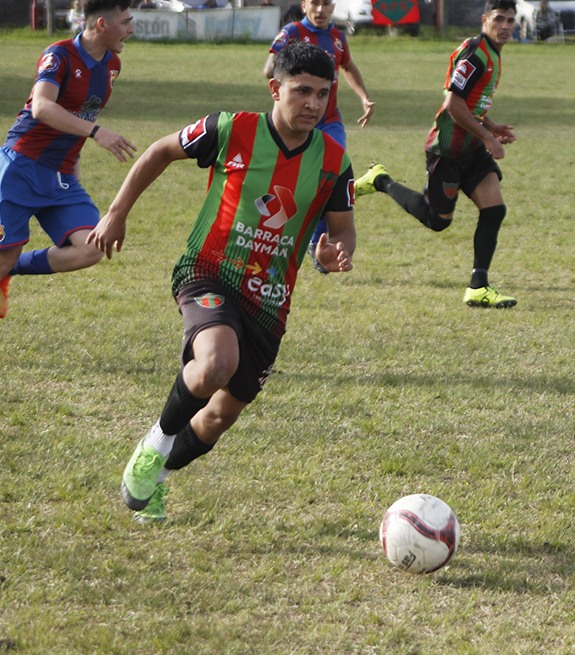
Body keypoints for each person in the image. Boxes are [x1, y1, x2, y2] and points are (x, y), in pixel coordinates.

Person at [86, 42, 356, 523]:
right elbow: (159, 151)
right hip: (207, 270)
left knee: (218, 416)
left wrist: (335, 251)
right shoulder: (231, 129)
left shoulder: (334, 160)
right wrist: (116, 212)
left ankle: (156, 477)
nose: (312, 104)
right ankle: (154, 444)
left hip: (269, 302)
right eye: (301, 91)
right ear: (276, 88)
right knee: (215, 363)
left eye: (322, 94)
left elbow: (341, 229)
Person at [0, 0, 137, 364]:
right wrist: (97, 133)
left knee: (93, 247)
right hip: (22, 167)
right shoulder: (59, 55)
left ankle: (11, 267)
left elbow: (77, 117)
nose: (132, 28)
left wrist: (75, 165)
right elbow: (42, 107)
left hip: (61, 175)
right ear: (102, 24)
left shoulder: (111, 66)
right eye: (126, 21)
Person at [353, 0, 518, 309]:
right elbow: (453, 105)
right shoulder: (476, 53)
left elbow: (470, 100)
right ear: (485, 20)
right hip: (448, 148)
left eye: (510, 20)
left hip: (471, 147)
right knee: (438, 220)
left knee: (494, 210)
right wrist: (488, 137)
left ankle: (478, 287)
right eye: (499, 19)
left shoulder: (491, 51)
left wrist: (491, 126)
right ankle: (381, 180)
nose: (506, 26)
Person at [264, 0, 373, 272]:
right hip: (295, 121)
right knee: (286, 178)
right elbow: (269, 69)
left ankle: (319, 243)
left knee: (332, 176)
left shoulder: (337, 38)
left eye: (327, 3)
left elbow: (348, 66)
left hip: (329, 122)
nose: (321, 9)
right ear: (304, 5)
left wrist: (364, 97)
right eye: (315, 3)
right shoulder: (291, 33)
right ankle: (270, 233)